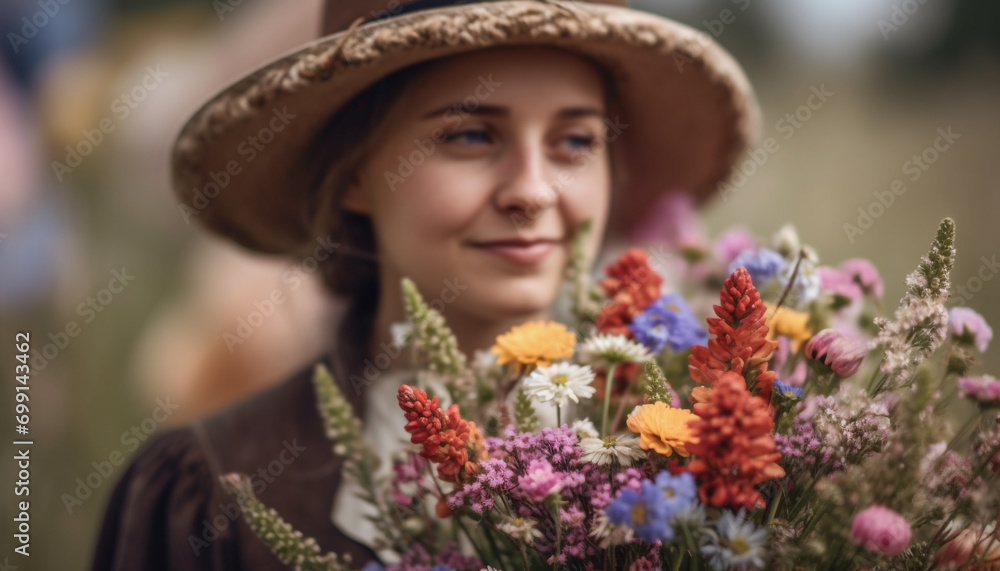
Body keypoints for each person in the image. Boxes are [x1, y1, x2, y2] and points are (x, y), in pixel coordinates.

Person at [90, 0, 759, 568]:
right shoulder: (208, 495)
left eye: (576, 141)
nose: (532, 189)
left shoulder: (693, 463)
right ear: (354, 171)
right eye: (471, 135)